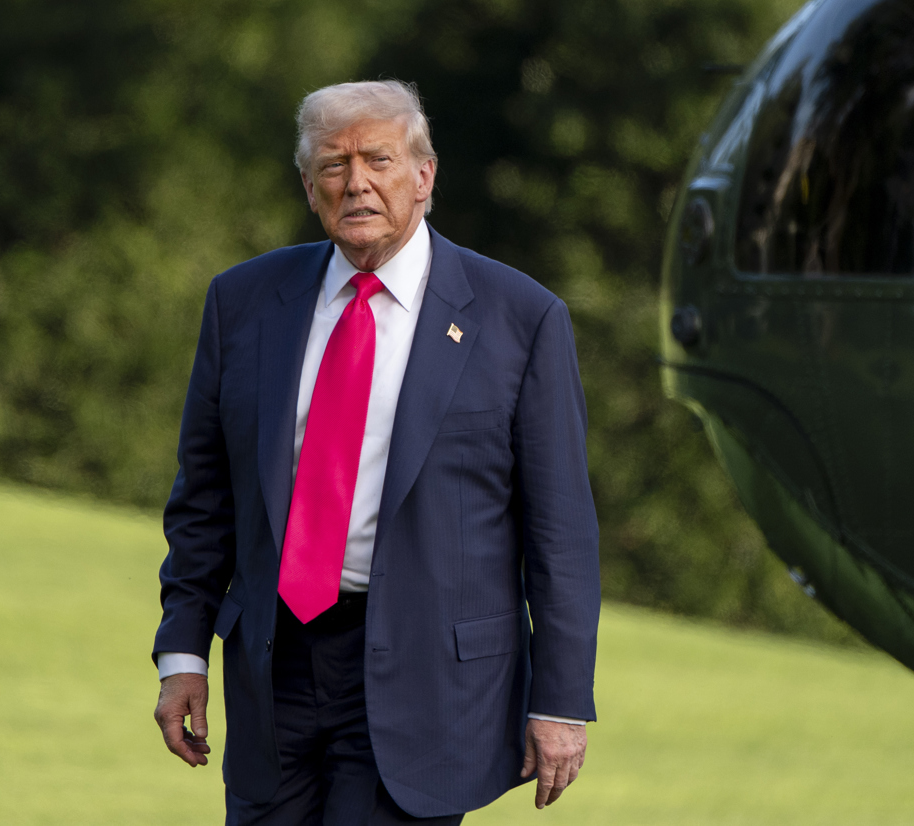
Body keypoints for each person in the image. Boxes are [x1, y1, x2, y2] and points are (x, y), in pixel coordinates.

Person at [152, 79, 601, 824]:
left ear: (423, 176)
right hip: (275, 669)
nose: (356, 182)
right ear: (308, 186)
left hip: (429, 682)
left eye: (378, 160)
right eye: (333, 165)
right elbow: (204, 500)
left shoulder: (520, 318)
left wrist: (559, 700)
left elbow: (561, 533)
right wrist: (183, 654)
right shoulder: (243, 303)